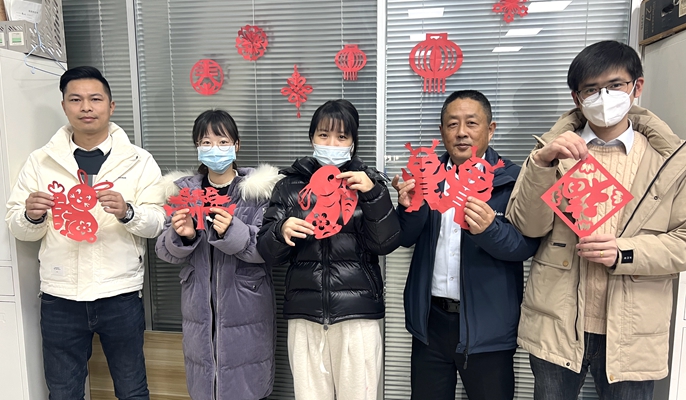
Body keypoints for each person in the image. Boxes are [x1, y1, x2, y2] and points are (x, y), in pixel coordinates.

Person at [506, 40, 686, 400]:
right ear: (577, 98)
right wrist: (541, 165)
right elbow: (527, 227)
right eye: (591, 89)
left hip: (634, 331)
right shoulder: (553, 152)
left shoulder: (669, 162)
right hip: (556, 324)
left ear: (637, 86)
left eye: (615, 85)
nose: (604, 97)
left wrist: (625, 252)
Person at [5, 66, 166, 399]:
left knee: (132, 389)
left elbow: (157, 222)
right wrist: (31, 216)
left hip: (120, 293)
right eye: (76, 99)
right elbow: (17, 227)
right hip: (60, 296)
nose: (86, 107)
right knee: (64, 392)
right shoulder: (41, 161)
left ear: (111, 105)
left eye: (95, 99)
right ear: (64, 106)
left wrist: (128, 212)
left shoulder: (138, 160)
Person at [392, 90, 540, 400]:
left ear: (491, 129)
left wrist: (488, 230)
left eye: (472, 123)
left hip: (488, 327)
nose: (461, 132)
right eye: (452, 124)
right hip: (431, 323)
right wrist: (410, 207)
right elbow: (404, 239)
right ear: (442, 131)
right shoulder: (426, 177)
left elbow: (524, 246)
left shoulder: (513, 181)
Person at [256, 99, 401, 400]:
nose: (331, 144)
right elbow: (268, 253)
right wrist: (281, 232)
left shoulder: (368, 184)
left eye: (341, 136)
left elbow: (385, 243)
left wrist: (373, 194)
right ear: (312, 138)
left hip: (357, 314)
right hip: (305, 315)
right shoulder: (290, 186)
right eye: (324, 135)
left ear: (353, 142)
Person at [155, 109, 280, 400]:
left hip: (247, 306)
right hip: (198, 310)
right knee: (205, 384)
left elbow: (268, 249)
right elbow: (163, 250)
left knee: (247, 386)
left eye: (223, 142)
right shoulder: (184, 193)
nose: (215, 149)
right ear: (197, 147)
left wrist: (231, 231)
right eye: (206, 142)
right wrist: (183, 236)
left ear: (236, 145)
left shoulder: (257, 193)